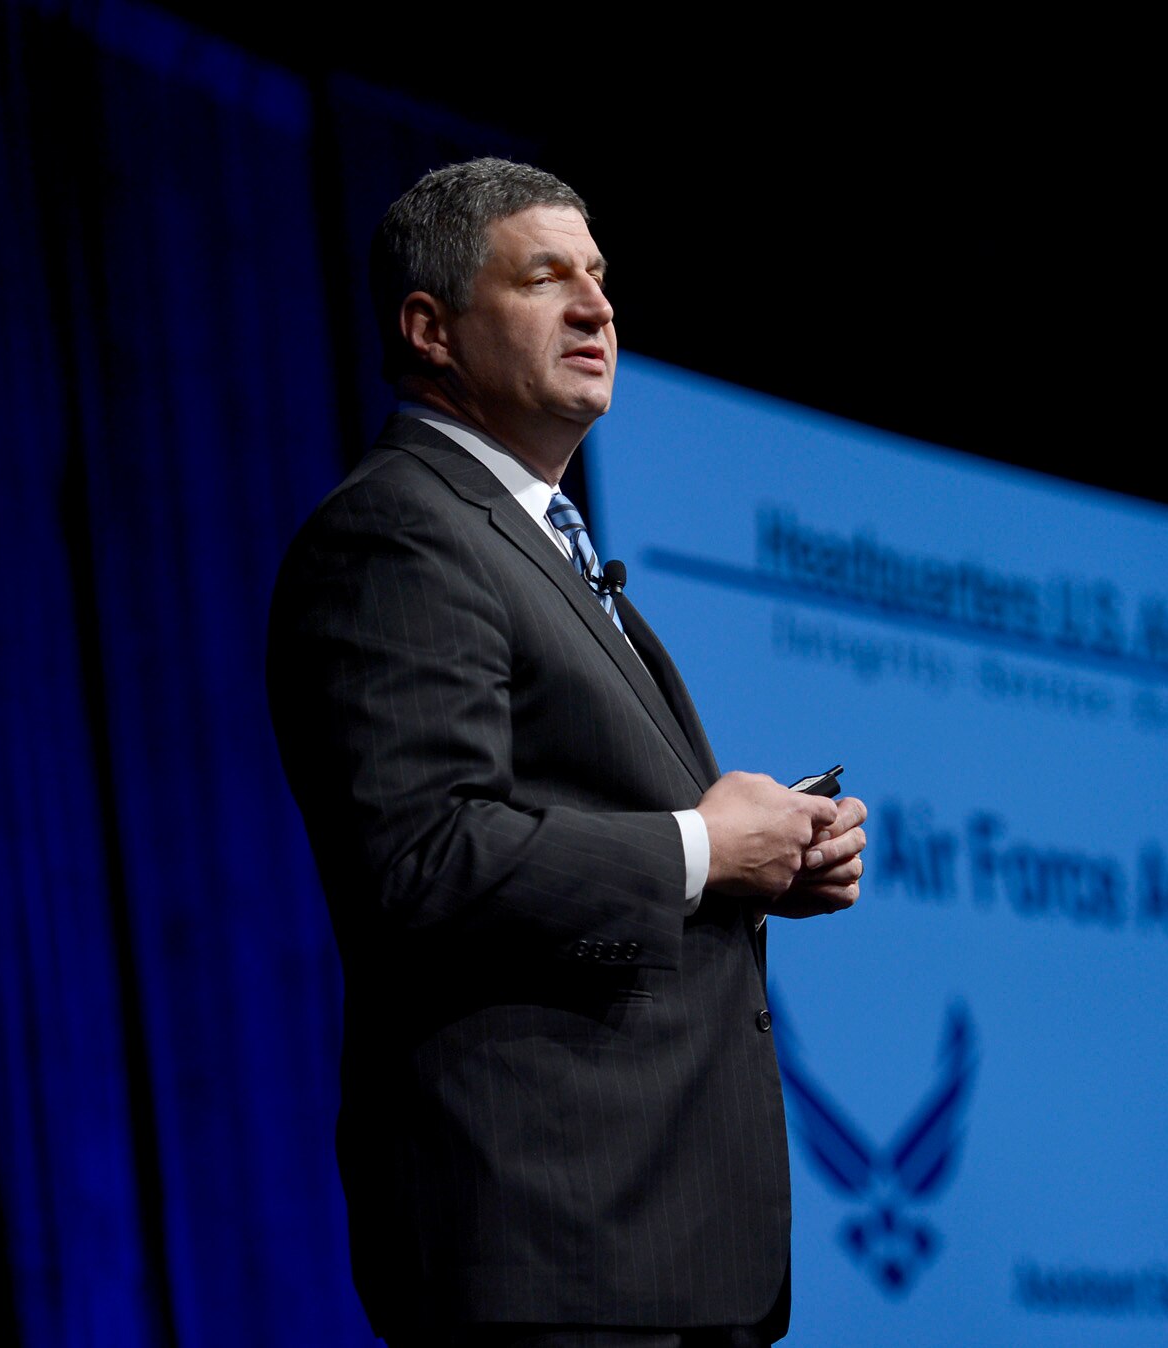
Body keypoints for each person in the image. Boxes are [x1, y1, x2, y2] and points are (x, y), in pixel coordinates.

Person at [266, 157, 867, 1348]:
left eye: (598, 277)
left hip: (654, 1250)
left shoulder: (538, 541)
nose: (596, 307)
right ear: (429, 328)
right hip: (553, 1248)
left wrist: (761, 855)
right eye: (546, 278)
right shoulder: (399, 533)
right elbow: (426, 859)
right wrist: (702, 848)